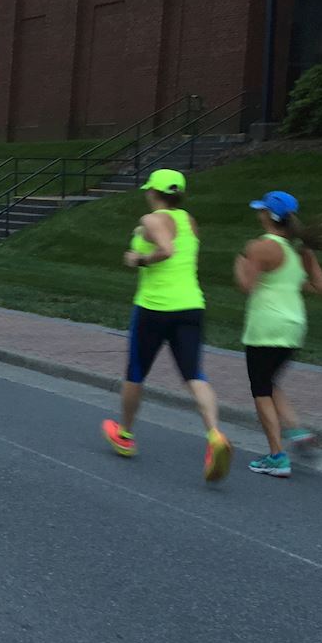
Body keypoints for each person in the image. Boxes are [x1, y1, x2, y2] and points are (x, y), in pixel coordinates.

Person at [101, 169, 233, 482]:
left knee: (136, 373)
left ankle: (125, 434)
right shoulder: (189, 220)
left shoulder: (152, 220)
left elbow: (166, 249)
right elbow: (178, 244)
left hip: (154, 308)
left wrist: (138, 259)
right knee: (194, 374)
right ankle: (214, 434)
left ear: (153, 193)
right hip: (191, 306)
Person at [234, 190, 322, 478]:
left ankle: (277, 456)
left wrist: (239, 266)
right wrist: (292, 284)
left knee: (260, 389)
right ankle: (297, 431)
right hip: (294, 326)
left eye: (261, 209)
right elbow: (321, 288)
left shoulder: (260, 246)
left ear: (268, 215)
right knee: (270, 380)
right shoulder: (301, 250)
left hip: (266, 326)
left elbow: (247, 286)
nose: (258, 213)